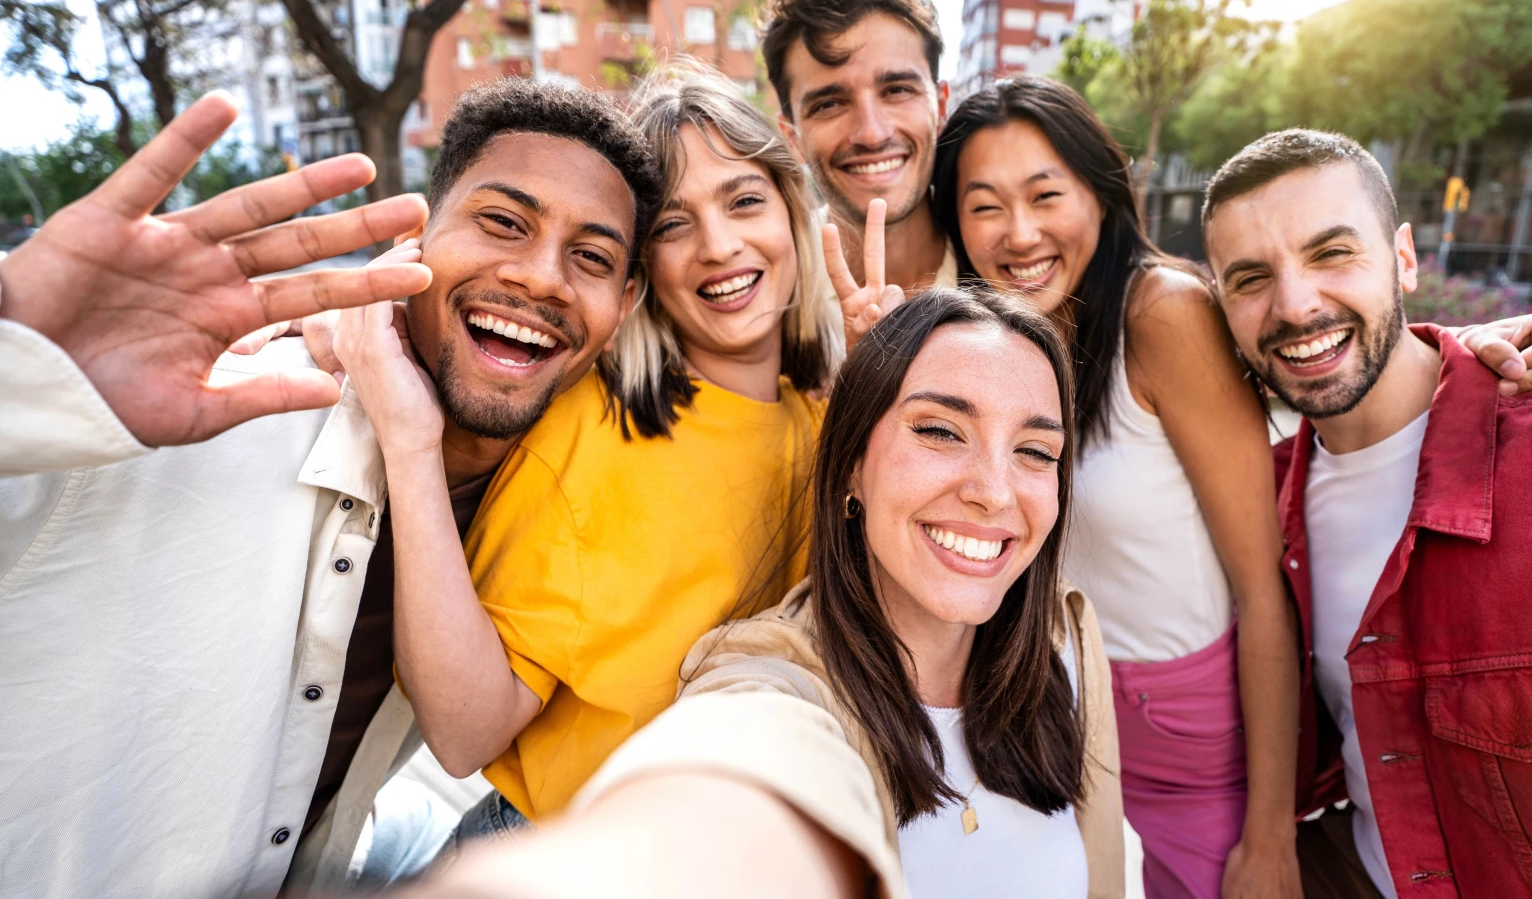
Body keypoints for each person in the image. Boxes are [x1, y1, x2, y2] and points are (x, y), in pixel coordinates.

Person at [0, 80, 661, 897]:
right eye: (502, 223)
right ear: (416, 235)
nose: (542, 278)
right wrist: (21, 365)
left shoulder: (539, 517)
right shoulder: (187, 413)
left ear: (624, 305)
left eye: (592, 258)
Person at [412, 287, 1125, 899]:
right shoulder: (773, 685)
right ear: (850, 465)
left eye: (1035, 451)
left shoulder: (1064, 635)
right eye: (940, 431)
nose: (994, 491)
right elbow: (727, 794)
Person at [334, 62, 839, 846]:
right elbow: (466, 733)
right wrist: (407, 438)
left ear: (792, 215)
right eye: (674, 224)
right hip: (558, 846)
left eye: (745, 201)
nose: (719, 245)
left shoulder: (823, 420)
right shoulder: (591, 427)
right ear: (641, 281)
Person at [927, 75, 1298, 899]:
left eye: (1045, 195)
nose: (1019, 233)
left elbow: (1264, 588)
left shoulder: (1161, 315)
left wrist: (1271, 837)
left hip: (1196, 739)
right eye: (984, 206)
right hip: (1066, 721)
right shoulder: (1002, 345)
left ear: (1101, 194)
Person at [1203, 128, 1532, 899]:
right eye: (1250, 278)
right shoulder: (1263, 504)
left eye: (1331, 253)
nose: (1295, 304)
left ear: (1405, 259)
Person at [763, 0, 956, 326]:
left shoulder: (1005, 263)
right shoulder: (765, 292)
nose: (872, 133)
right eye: (829, 104)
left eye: (897, 90)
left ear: (939, 107)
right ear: (792, 137)